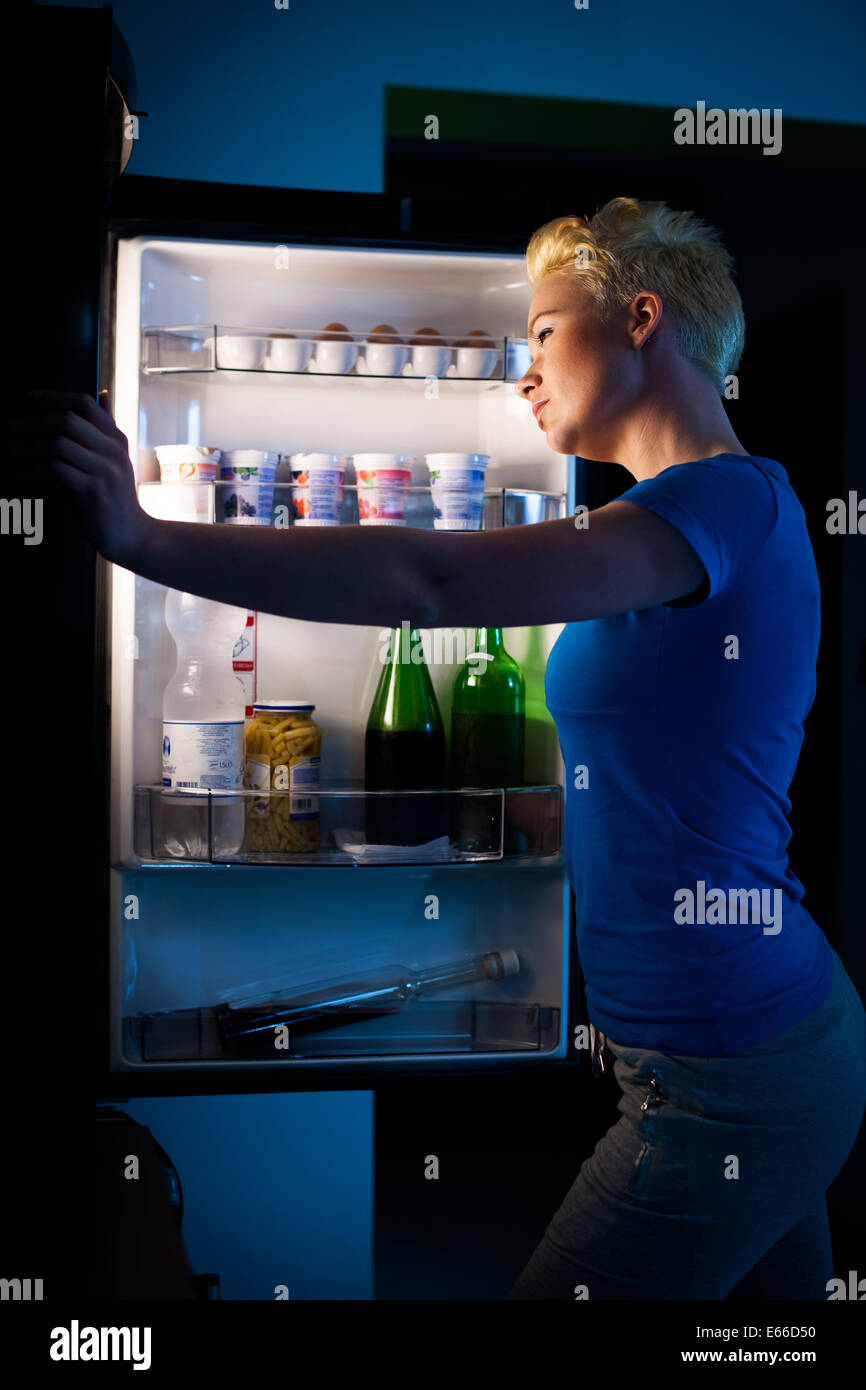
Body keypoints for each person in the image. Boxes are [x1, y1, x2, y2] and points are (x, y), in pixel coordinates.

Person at [11, 196, 865, 1300]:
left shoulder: (718, 502)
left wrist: (141, 536)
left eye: (547, 330)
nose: (525, 368)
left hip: (730, 1075)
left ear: (641, 318)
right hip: (747, 1051)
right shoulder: (677, 521)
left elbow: (432, 581)